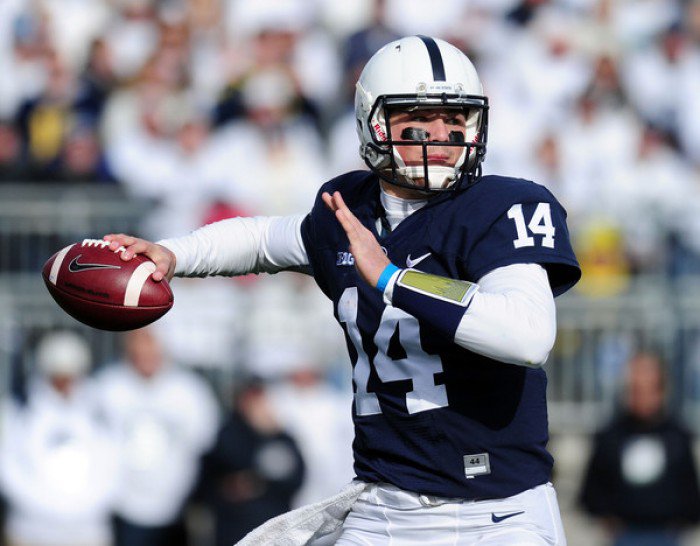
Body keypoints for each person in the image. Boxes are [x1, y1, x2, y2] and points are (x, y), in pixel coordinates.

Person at [104, 35, 581, 545]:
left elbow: (528, 335)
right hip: (385, 509)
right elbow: (263, 238)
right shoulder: (348, 209)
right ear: (374, 124)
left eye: (456, 118)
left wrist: (394, 280)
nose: (442, 134)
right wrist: (175, 254)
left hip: (499, 513)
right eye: (419, 118)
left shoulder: (502, 206)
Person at [92, 327, 220, 546]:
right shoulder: (107, 387)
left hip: (175, 507)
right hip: (122, 506)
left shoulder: (189, 390)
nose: (145, 358)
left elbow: (205, 442)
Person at [0, 330, 120, 546]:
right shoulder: (20, 408)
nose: (64, 382)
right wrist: (49, 507)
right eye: (57, 374)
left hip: (87, 532)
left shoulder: (99, 407)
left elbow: (113, 465)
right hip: (31, 531)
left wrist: (80, 507)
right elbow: (8, 468)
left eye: (70, 373)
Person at [579, 351, 700, 546]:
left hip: (666, 536)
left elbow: (690, 494)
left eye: (648, 389)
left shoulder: (677, 437)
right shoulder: (610, 436)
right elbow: (591, 493)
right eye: (635, 389)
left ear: (661, 390)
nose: (641, 397)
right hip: (623, 536)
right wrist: (607, 518)